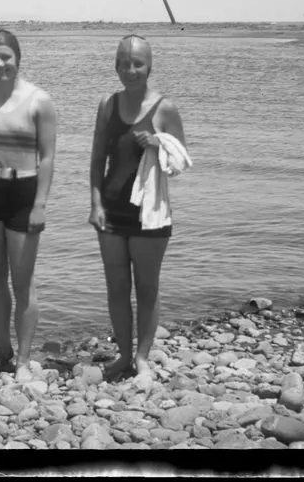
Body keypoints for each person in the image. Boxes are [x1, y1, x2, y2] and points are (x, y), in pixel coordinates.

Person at [88, 34, 187, 382]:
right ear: (116, 66)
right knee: (116, 288)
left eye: (138, 63)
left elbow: (180, 160)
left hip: (151, 215)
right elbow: (98, 158)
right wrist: (95, 204)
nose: (131, 69)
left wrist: (158, 142)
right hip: (111, 213)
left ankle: (143, 358)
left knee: (147, 287)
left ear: (150, 66)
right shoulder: (107, 105)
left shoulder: (165, 108)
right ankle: (124, 355)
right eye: (125, 63)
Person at [0, 28, 57, 382]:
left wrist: (40, 205)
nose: (1, 63)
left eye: (6, 57)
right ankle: (2, 352)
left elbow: (48, 158)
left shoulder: (39, 101)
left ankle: (22, 359)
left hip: (24, 192)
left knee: (23, 282)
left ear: (18, 58)